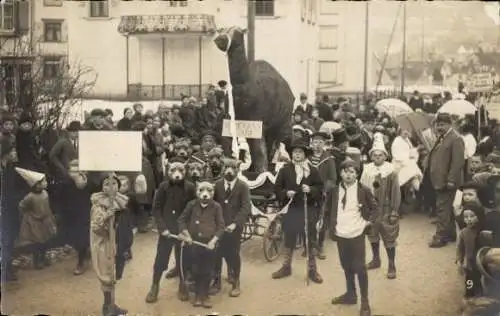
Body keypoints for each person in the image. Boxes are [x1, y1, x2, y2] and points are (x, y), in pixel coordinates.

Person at [326, 159, 380, 316]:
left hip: (356, 234)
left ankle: (365, 302)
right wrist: (326, 223)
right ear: (340, 173)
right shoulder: (335, 190)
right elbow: (329, 208)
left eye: (352, 172)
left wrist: (366, 223)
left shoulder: (363, 190)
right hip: (341, 233)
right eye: (345, 171)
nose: (348, 175)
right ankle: (351, 294)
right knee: (346, 265)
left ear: (357, 174)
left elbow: (375, 209)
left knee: (360, 268)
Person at [271, 137, 324, 283]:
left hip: (308, 209)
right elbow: (277, 188)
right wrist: (285, 193)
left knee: (310, 240)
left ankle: (312, 270)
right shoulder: (285, 170)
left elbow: (320, 188)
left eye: (300, 152)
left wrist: (311, 189)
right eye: (295, 152)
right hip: (292, 209)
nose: (297, 155)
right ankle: (286, 267)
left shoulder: (313, 170)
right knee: (289, 238)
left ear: (305, 154)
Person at [360, 135, 401, 279]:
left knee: (389, 236)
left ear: (385, 156)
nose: (377, 157)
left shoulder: (391, 171)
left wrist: (394, 210)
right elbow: (362, 189)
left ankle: (391, 264)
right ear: (371, 156)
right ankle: (376, 259)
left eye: (380, 155)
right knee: (372, 234)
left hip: (386, 208)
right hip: (371, 209)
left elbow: (395, 192)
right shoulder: (367, 170)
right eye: (375, 155)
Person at [210, 158, 251, 296]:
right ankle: (216, 282)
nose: (229, 170)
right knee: (216, 254)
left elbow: (246, 208)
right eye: (226, 167)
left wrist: (235, 224)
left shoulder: (243, 186)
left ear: (237, 170)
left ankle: (236, 282)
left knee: (233, 254)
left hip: (234, 228)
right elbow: (211, 206)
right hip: (218, 227)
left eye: (232, 168)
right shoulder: (216, 185)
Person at [89, 174, 129, 316]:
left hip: (117, 242)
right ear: (102, 186)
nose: (110, 187)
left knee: (114, 274)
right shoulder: (99, 204)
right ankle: (107, 307)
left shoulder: (121, 201)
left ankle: (112, 304)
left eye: (114, 184)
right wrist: (107, 216)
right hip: (104, 243)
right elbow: (96, 226)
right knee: (107, 275)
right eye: (106, 184)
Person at [426, 113, 465, 248]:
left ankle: (440, 237)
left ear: (450, 124)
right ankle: (450, 234)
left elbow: (457, 162)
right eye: (438, 125)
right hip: (440, 180)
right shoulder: (443, 137)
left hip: (447, 182)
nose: (439, 127)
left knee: (442, 209)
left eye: (442, 125)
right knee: (446, 209)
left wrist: (451, 180)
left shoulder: (456, 139)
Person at [16, 167, 57, 270]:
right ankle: (37, 260)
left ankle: (43, 258)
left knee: (45, 241)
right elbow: (21, 206)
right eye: (43, 181)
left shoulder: (45, 193)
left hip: (45, 221)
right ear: (36, 184)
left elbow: (47, 207)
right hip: (35, 222)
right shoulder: (30, 197)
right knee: (37, 243)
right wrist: (28, 215)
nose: (45, 183)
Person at [308, 131, 337, 259]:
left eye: (320, 142)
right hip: (308, 192)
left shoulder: (328, 159)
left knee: (320, 220)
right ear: (311, 144)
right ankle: (309, 246)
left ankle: (320, 246)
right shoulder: (307, 158)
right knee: (308, 219)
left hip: (322, 194)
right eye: (315, 142)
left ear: (324, 144)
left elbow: (332, 178)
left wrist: (325, 189)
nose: (317, 145)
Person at [456, 203, 485, 298]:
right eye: (465, 217)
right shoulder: (463, 233)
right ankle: (469, 298)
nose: (468, 219)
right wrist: (459, 261)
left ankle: (481, 298)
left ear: (478, 216)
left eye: (472, 216)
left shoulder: (483, 232)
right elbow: (460, 248)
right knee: (470, 282)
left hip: (482, 263)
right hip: (469, 265)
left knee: (481, 282)